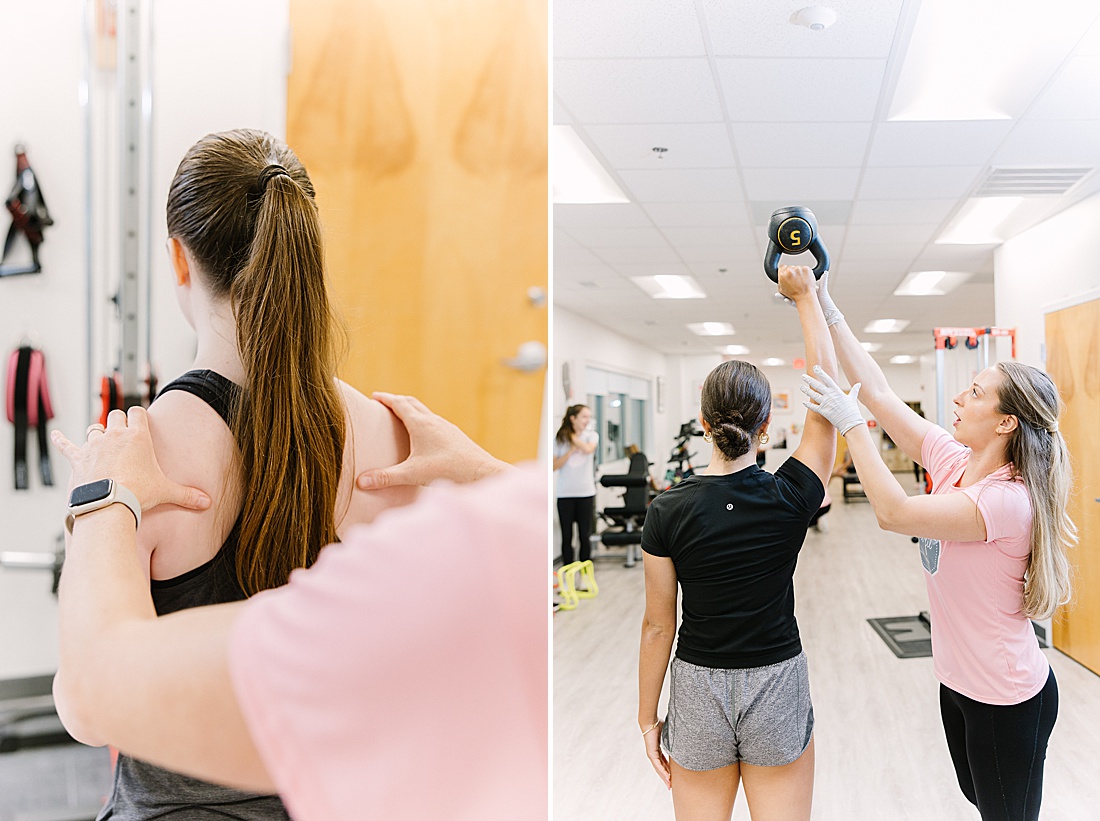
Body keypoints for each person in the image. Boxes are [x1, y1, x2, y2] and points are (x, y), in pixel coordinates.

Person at [55, 129, 422, 818]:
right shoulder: (394, 438)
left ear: (178, 259)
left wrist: (98, 503)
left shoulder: (142, 450)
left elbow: (87, 708)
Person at [50, 393, 547, 821]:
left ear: (182, 272)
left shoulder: (164, 436)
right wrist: (493, 479)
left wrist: (100, 497)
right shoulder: (488, 517)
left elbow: (88, 698)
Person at [800, 272, 1074, 821]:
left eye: (975, 392)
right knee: (979, 798)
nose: (958, 396)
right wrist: (828, 305)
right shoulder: (955, 461)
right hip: (957, 680)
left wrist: (854, 427)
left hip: (1005, 693)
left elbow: (894, 512)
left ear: (1004, 422)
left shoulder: (1005, 499)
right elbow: (878, 392)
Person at [638, 265, 837, 821]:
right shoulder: (789, 496)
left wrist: (647, 717)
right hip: (775, 679)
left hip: (698, 685)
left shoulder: (666, 510)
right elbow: (826, 409)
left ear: (703, 423)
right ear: (766, 425)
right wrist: (807, 299)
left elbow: (659, 624)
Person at [553, 404, 598, 567]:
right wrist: (570, 450)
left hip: (585, 493)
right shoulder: (559, 440)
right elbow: (554, 465)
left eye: (588, 417)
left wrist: (572, 438)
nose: (587, 420)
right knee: (567, 536)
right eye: (584, 417)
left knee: (584, 535)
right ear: (573, 418)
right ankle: (567, 573)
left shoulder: (592, 436)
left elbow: (588, 449)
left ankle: (585, 574)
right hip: (565, 494)